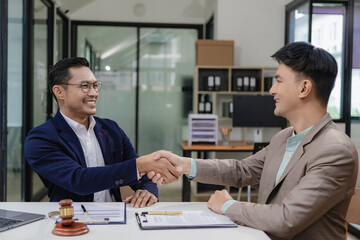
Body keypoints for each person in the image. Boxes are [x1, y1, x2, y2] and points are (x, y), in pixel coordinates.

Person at [150, 42, 358, 239]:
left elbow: (285, 219)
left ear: (304, 88)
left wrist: (228, 206)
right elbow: (242, 171)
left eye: (279, 80)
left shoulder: (335, 150)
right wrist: (184, 164)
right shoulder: (283, 138)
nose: (271, 90)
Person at [24, 57, 180, 207]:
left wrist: (147, 190)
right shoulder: (41, 139)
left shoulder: (111, 129)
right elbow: (78, 180)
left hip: (116, 220)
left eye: (95, 85)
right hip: (71, 222)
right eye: (85, 86)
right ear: (59, 92)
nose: (93, 93)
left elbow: (143, 175)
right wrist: (140, 165)